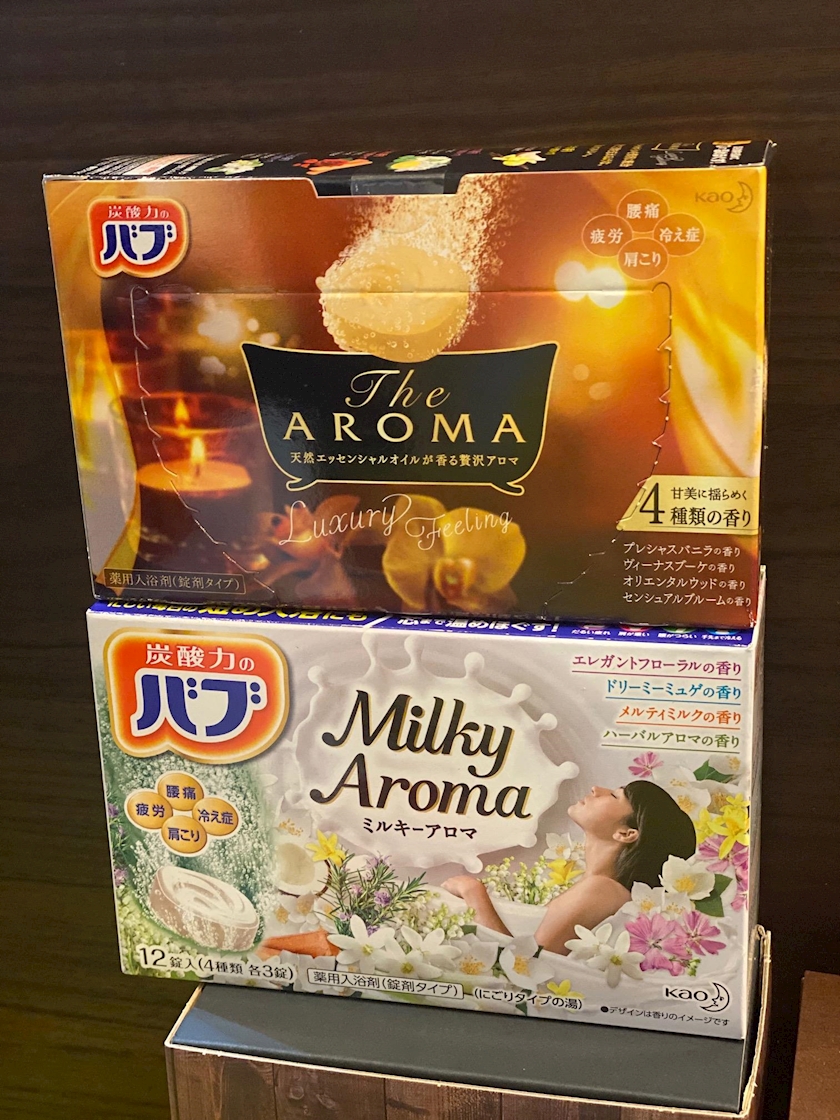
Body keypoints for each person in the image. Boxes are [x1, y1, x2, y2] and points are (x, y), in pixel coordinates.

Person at [443, 780, 696, 955]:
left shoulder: (603, 889)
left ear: (626, 833)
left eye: (614, 796)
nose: (596, 789)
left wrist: (473, 892)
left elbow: (526, 966)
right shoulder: (599, 886)